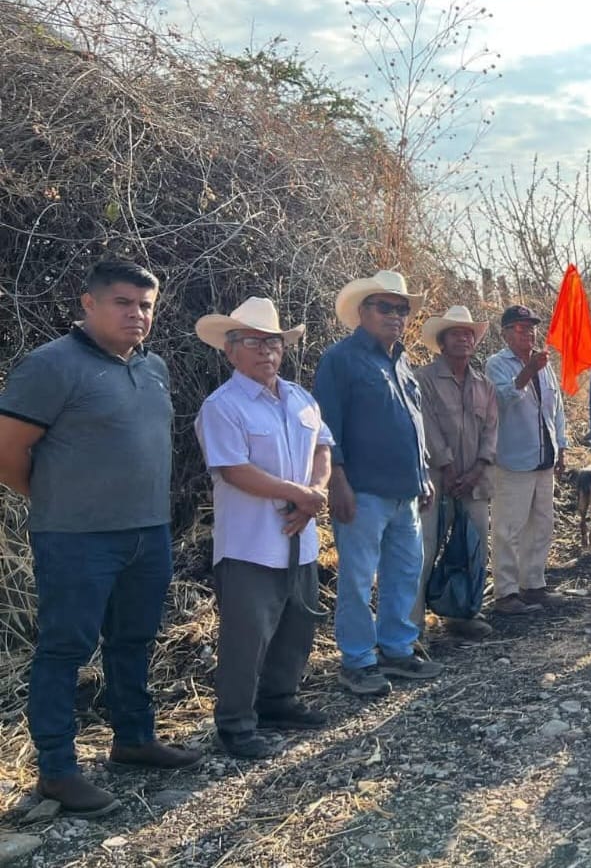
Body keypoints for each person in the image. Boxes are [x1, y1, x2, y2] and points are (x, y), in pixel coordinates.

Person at [0, 259, 200, 815]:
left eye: (146, 306)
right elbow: (7, 452)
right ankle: (58, 773)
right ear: (88, 303)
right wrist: (56, 501)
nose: (137, 314)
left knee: (133, 641)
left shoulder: (153, 367)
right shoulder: (51, 366)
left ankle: (133, 740)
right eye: (123, 302)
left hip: (147, 533)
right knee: (65, 649)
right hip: (76, 538)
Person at [194, 298, 333, 759]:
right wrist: (299, 495)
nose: (265, 351)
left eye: (272, 342)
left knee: (296, 629)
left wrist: (314, 492)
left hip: (301, 536)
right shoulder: (223, 406)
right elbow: (234, 470)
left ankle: (279, 701)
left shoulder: (301, 397)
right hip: (250, 544)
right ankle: (235, 724)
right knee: (246, 636)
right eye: (252, 342)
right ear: (230, 350)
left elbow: (323, 449)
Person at [315, 269, 440, 697]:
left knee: (404, 574)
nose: (395, 315)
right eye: (384, 307)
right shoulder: (340, 359)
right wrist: (338, 482)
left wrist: (423, 474)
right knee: (357, 578)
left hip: (407, 490)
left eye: (401, 309)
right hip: (362, 490)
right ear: (362, 311)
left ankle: (396, 649)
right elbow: (327, 426)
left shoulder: (403, 362)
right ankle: (357, 660)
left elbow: (414, 424)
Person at [414, 305, 496, 635]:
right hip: (435, 479)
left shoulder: (484, 385)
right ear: (442, 342)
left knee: (475, 546)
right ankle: (413, 623)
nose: (463, 338)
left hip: (475, 481)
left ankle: (463, 613)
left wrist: (478, 468)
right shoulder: (423, 379)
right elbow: (427, 426)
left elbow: (492, 429)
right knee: (426, 548)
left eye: (468, 334)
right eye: (455, 334)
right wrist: (446, 467)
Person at [485, 305, 569, 613]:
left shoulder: (544, 363)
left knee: (542, 525)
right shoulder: (496, 363)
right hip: (513, 458)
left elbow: (556, 407)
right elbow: (501, 399)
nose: (528, 333)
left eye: (532, 328)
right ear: (505, 333)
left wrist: (562, 445)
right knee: (509, 528)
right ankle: (506, 593)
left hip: (544, 456)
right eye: (520, 329)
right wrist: (527, 372)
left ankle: (533, 585)